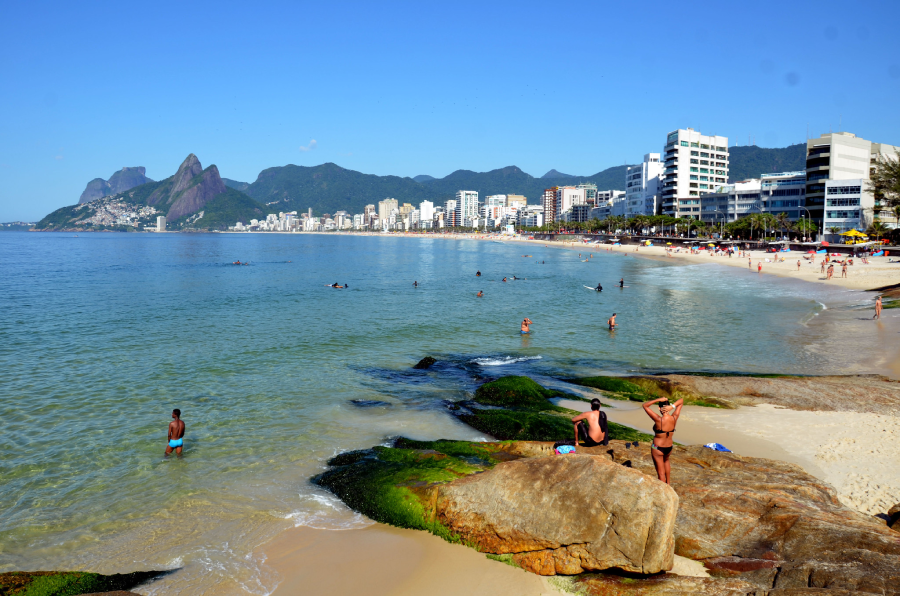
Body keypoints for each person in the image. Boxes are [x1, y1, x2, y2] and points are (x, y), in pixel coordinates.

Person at [642, 397, 683, 484]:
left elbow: (645, 406)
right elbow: (681, 401)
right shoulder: (674, 417)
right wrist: (672, 406)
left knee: (660, 473)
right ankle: (668, 484)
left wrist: (658, 399)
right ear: (668, 407)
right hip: (669, 447)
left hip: (657, 448)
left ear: (659, 408)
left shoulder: (658, 419)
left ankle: (664, 491)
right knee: (666, 461)